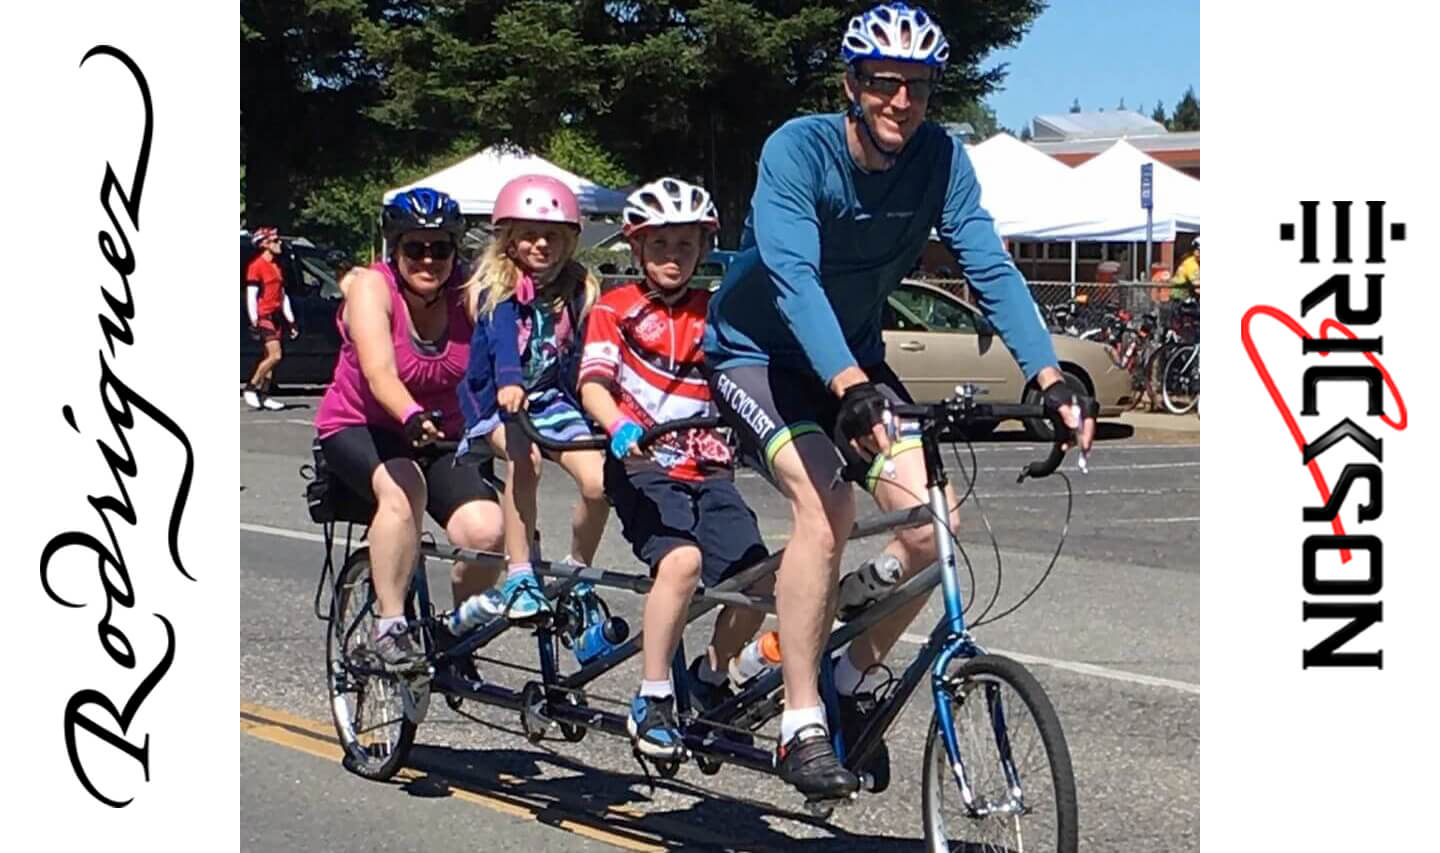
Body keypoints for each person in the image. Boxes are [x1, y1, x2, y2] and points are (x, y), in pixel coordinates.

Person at [703, 2, 1096, 800]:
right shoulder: (799, 150)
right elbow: (793, 278)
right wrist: (847, 388)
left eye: (917, 86)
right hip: (760, 357)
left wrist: (1048, 375)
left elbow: (987, 264)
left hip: (852, 359)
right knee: (826, 509)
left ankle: (844, 675)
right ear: (852, 84)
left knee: (929, 524)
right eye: (884, 83)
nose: (901, 102)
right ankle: (801, 718)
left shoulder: (942, 161)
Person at [578, 177, 773, 760]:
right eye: (659, 245)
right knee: (682, 562)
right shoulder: (615, 309)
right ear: (636, 249)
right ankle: (654, 695)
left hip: (708, 466)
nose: (672, 257)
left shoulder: (717, 314)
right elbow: (593, 384)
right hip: (643, 464)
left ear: (703, 249)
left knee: (755, 579)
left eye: (685, 246)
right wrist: (618, 426)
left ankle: (709, 678)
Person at [313, 188, 505, 673]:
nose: (427, 259)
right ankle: (391, 627)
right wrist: (409, 414)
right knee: (403, 492)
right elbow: (380, 374)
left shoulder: (470, 293)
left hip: (441, 432)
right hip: (364, 424)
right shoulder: (371, 289)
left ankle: (458, 636)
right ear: (393, 249)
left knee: (486, 530)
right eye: (414, 248)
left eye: (440, 248)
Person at [457, 175, 609, 621]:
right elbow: (502, 337)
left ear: (569, 241)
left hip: (551, 401)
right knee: (525, 461)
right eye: (529, 236)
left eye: (552, 237)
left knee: (600, 483)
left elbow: (588, 350)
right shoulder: (498, 286)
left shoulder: (579, 289)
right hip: (497, 403)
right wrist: (508, 380)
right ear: (509, 240)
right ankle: (520, 572)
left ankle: (576, 573)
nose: (541, 245)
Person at [244, 227, 298, 411]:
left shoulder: (276, 266)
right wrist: (254, 321)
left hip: (276, 316)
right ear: (265, 245)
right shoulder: (256, 266)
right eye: (275, 241)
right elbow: (251, 295)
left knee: (270, 359)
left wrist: (290, 320)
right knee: (276, 355)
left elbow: (282, 295)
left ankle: (265, 395)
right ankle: (251, 387)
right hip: (264, 316)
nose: (279, 243)